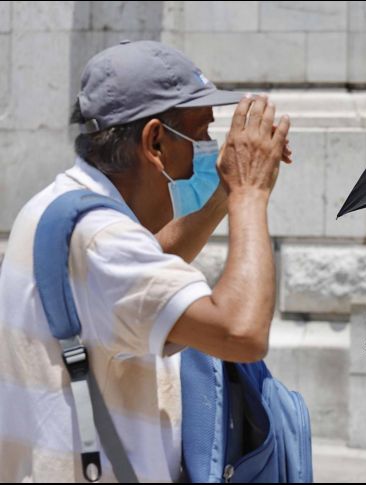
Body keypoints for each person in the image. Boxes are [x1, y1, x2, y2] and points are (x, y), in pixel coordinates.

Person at [0, 40, 291, 482]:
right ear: (155, 142)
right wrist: (249, 194)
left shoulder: (61, 208)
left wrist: (222, 200)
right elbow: (241, 331)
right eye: (201, 134)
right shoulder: (103, 242)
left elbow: (143, 273)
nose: (212, 150)